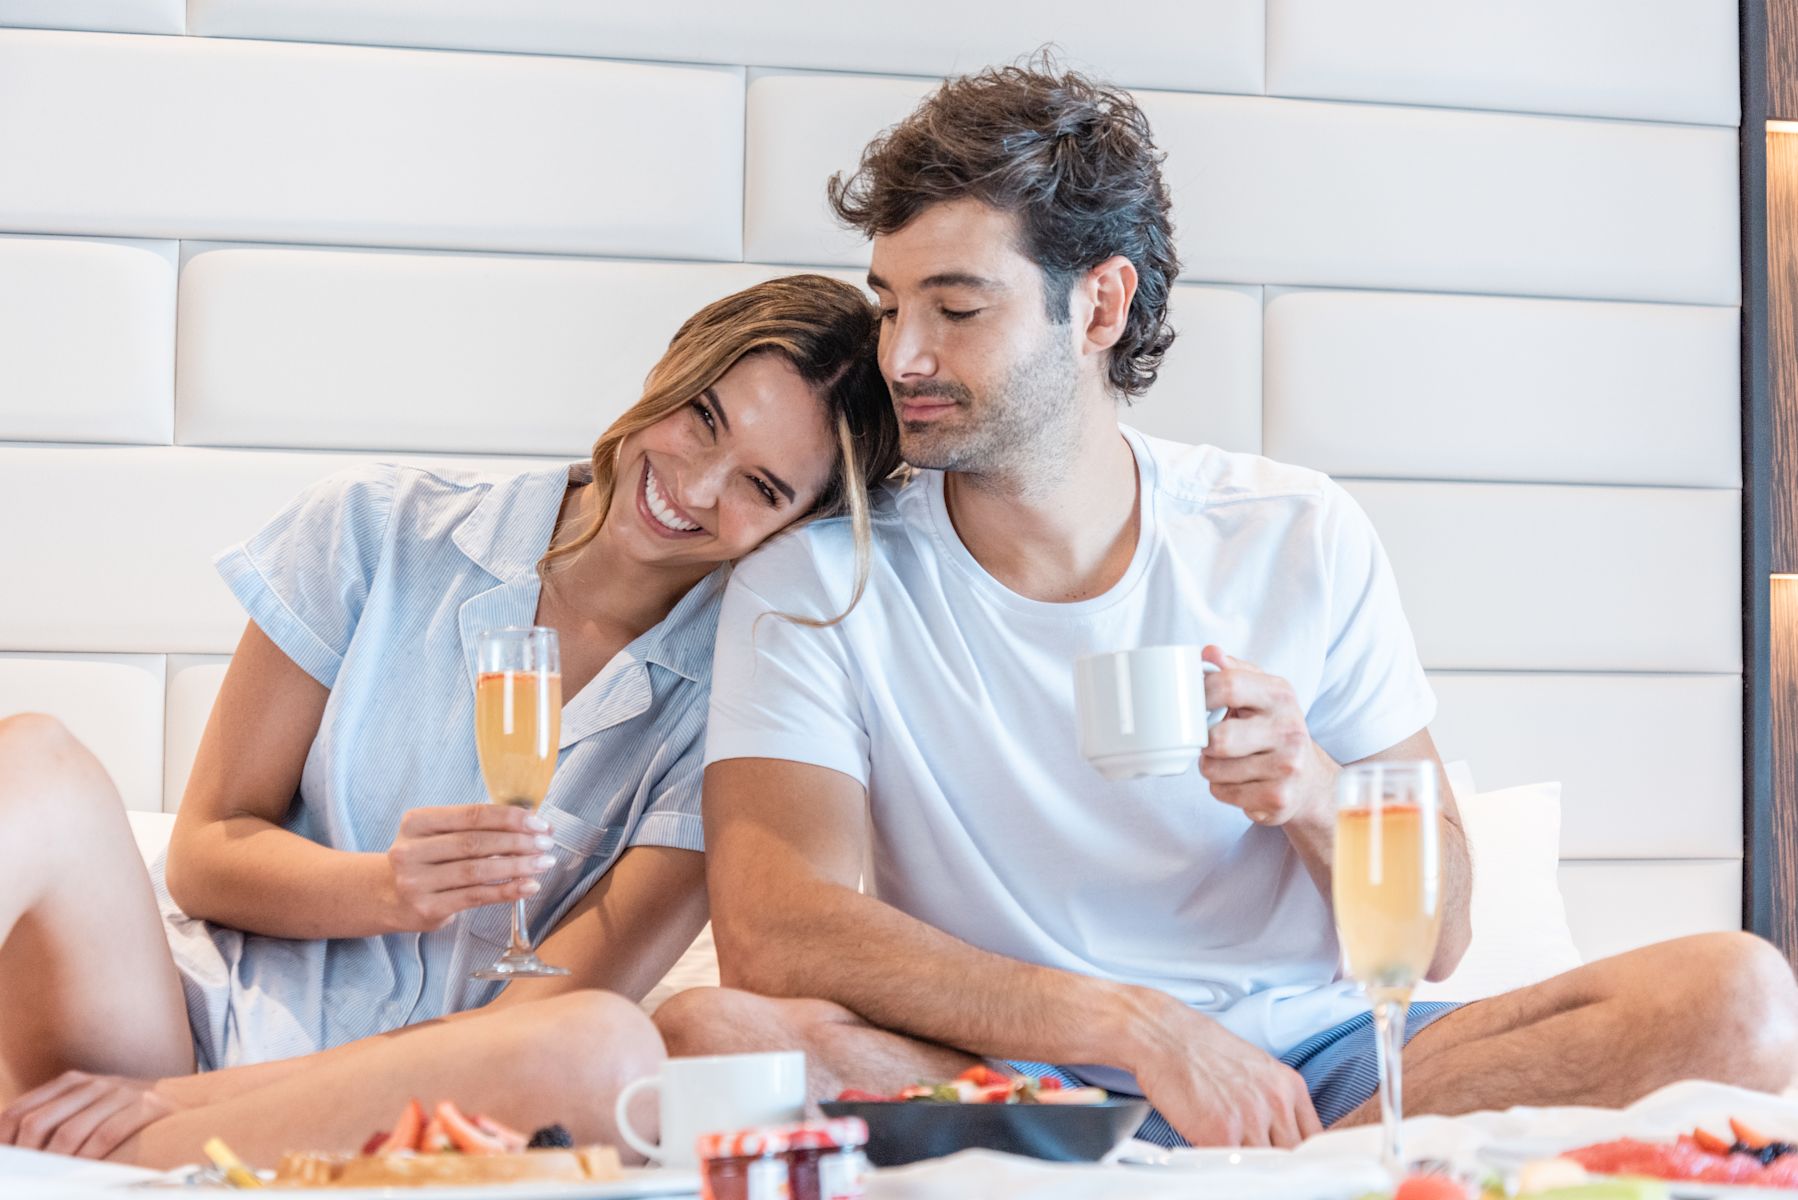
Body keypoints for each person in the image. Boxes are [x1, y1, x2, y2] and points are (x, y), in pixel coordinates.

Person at [653, 64, 1798, 1147]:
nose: (901, 354)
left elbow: (1440, 933)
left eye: (955, 309)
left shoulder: (1294, 533)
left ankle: (1270, 1166)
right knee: (712, 1034)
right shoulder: (820, 578)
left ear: (1098, 305)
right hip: (1009, 1077)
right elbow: (774, 929)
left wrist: (1308, 788)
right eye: (889, 304)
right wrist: (1132, 1027)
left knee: (1738, 997)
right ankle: (1259, 1173)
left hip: (1323, 1068)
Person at [0, 274, 902, 1168]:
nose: (697, 488)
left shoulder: (739, 708)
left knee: (605, 1048)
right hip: (163, 1030)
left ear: (801, 524)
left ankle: (120, 1150)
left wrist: (172, 1106)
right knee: (33, 757)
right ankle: (131, 1148)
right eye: (705, 416)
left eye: (762, 486)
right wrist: (384, 891)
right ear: (670, 369)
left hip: (388, 1106)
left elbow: (534, 1023)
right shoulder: (377, 530)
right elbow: (205, 856)